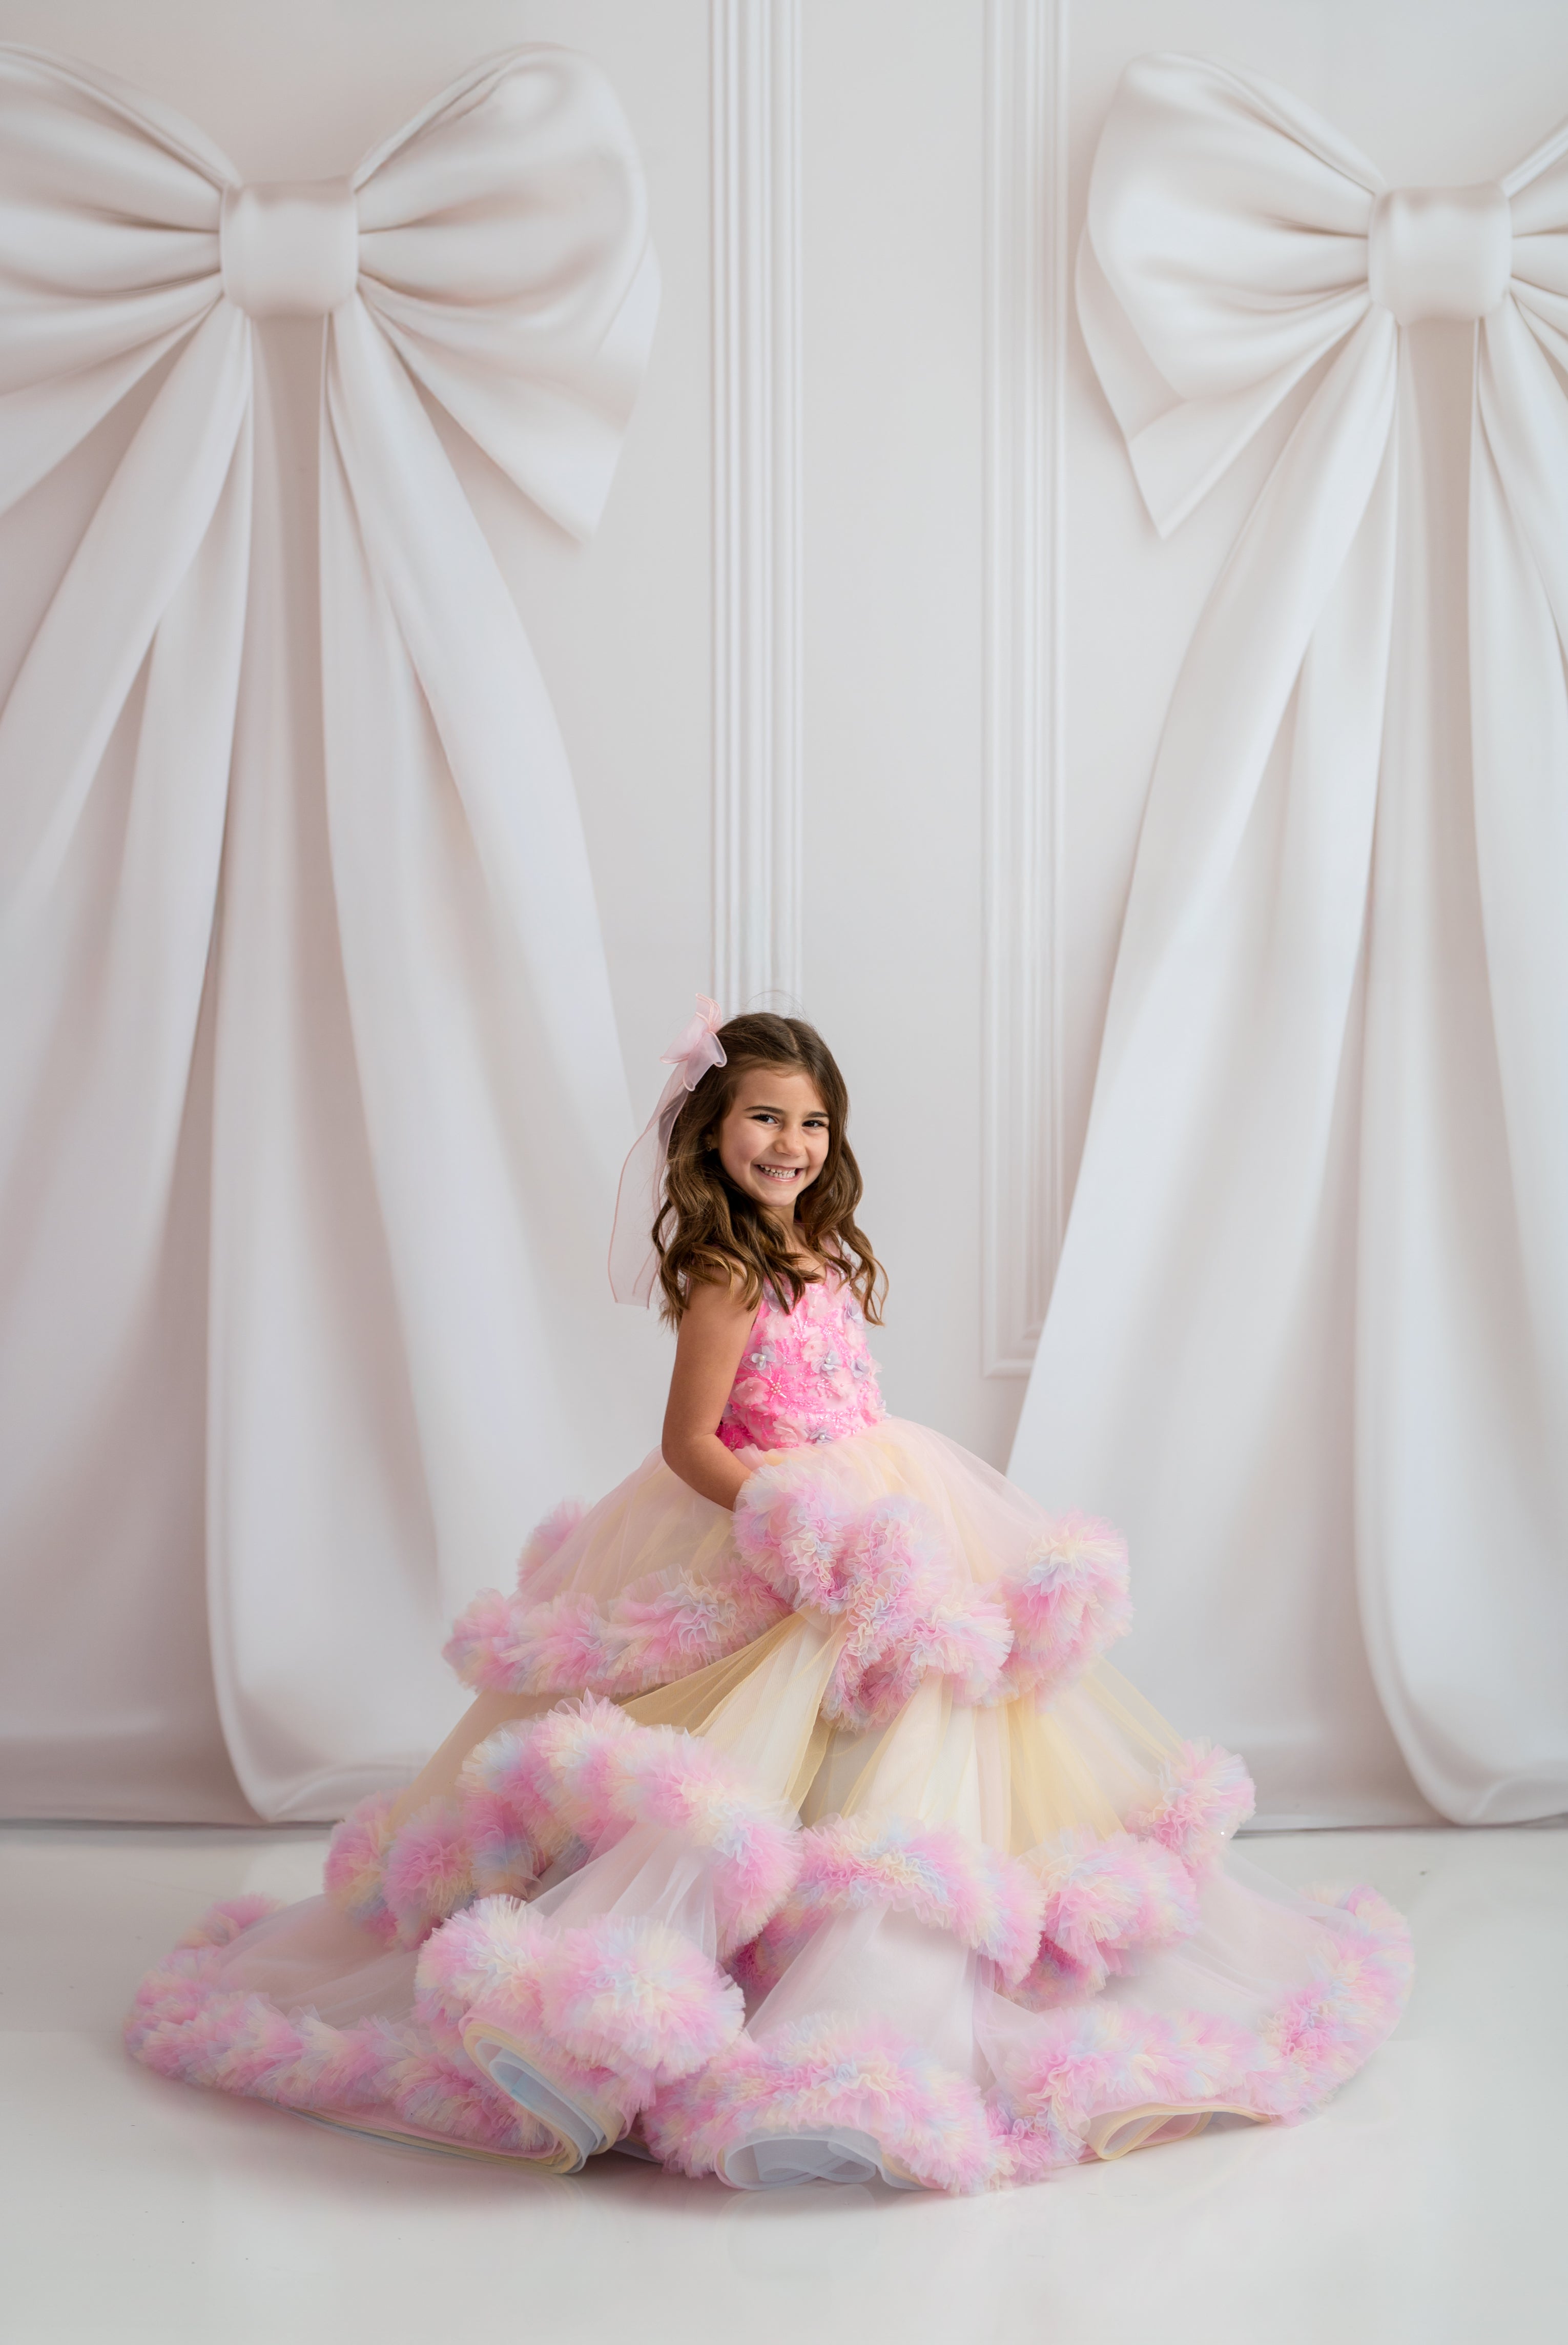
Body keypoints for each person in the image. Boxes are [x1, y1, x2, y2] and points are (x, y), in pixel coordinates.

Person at [127, 1004, 1411, 2191]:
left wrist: (863, 1509)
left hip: (884, 1501)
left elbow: (842, 1393)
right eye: (764, 1118)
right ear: (711, 1130)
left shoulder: (820, 1247)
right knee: (738, 1767)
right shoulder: (725, 1273)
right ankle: (667, 1999)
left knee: (908, 1735)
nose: (791, 1143)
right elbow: (693, 1441)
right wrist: (792, 1517)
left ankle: (875, 1979)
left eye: (811, 1122)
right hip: (771, 1525)